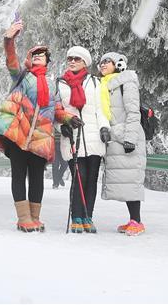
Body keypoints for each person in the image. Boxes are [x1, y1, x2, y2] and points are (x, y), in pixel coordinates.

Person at [0, 20, 61, 232]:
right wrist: (9, 39)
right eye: (35, 53)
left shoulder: (51, 84)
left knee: (37, 178)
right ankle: (23, 218)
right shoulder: (22, 76)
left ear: (48, 60)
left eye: (42, 54)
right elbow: (11, 60)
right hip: (19, 135)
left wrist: (67, 119)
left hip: (41, 137)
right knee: (19, 174)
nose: (38, 55)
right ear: (30, 59)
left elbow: (56, 109)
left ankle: (35, 217)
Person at [55, 46, 109, 233]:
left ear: (85, 62)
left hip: (95, 137)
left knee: (92, 178)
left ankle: (88, 216)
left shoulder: (95, 82)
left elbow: (101, 109)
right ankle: (76, 216)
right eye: (70, 58)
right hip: (72, 136)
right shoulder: (61, 83)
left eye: (77, 59)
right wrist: (62, 125)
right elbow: (55, 110)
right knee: (79, 177)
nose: (72, 61)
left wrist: (104, 128)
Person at [99, 52, 147, 236]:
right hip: (115, 137)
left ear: (118, 64)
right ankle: (133, 220)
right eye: (101, 62)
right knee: (125, 180)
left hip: (127, 136)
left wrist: (130, 138)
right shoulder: (105, 85)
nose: (102, 64)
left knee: (131, 178)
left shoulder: (126, 81)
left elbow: (133, 112)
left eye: (107, 61)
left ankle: (137, 221)